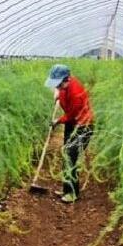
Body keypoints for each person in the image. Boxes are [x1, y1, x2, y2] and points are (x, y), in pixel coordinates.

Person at [45, 64, 94, 203]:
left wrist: (57, 121)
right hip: (72, 124)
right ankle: (66, 188)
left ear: (66, 80)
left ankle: (72, 193)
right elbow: (61, 92)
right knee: (66, 154)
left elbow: (71, 115)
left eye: (59, 84)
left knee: (71, 158)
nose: (58, 86)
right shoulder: (64, 86)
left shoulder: (76, 93)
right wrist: (58, 94)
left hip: (82, 126)